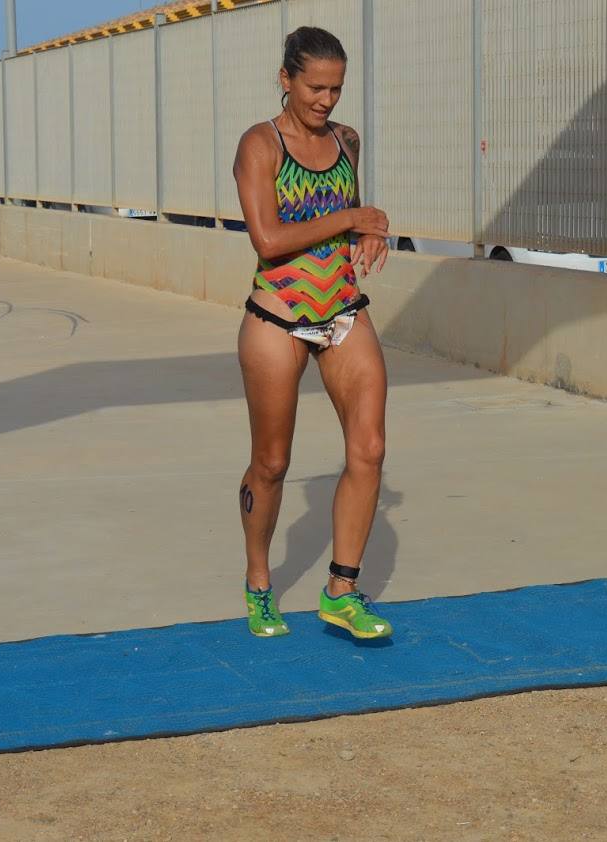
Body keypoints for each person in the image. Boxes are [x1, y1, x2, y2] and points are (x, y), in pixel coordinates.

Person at [232, 27, 394, 639]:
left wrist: (367, 230)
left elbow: (340, 221)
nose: (327, 101)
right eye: (316, 87)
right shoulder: (260, 145)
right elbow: (269, 240)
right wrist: (352, 216)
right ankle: (258, 582)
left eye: (337, 89)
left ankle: (341, 591)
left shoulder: (347, 141)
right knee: (272, 463)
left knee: (370, 448)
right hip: (277, 316)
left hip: (343, 310)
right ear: (286, 79)